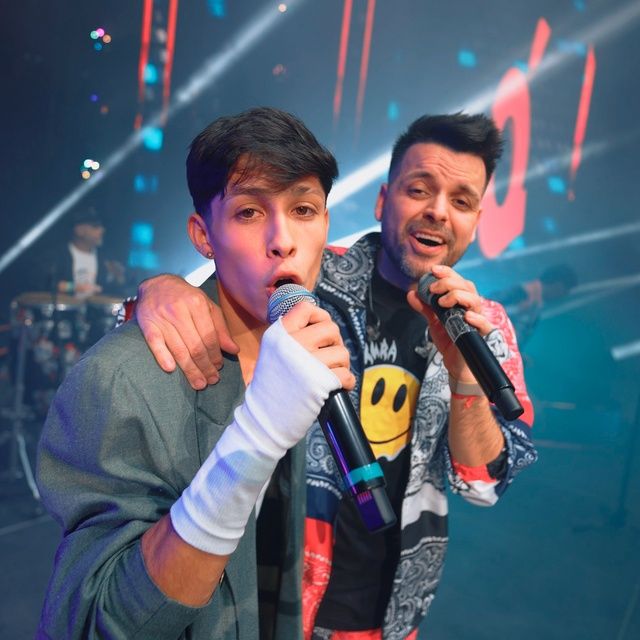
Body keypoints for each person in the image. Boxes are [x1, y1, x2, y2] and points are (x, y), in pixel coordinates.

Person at [132, 112, 538, 639]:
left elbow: (483, 484)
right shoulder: (304, 279)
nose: (438, 211)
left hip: (394, 608)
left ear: (476, 221)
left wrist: (465, 379)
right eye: (419, 189)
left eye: (461, 201)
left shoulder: (485, 325)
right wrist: (159, 289)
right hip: (276, 597)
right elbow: (219, 294)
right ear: (383, 200)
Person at [36, 106, 355, 639]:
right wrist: (258, 435)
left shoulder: (316, 341)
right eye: (249, 212)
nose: (283, 239)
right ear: (203, 236)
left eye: (303, 209)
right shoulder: (120, 380)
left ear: (326, 224)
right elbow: (92, 623)